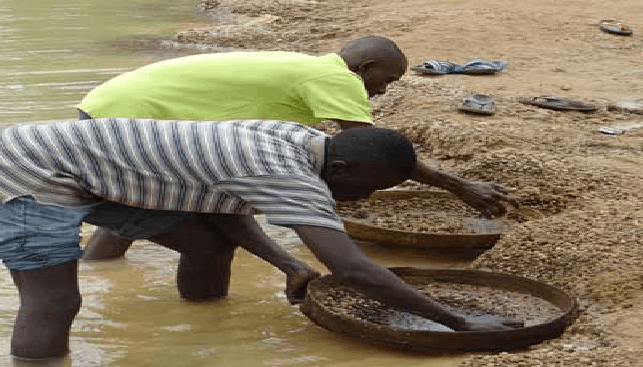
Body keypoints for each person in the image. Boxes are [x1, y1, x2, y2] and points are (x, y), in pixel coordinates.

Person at [0, 118, 521, 363]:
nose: (362, 200)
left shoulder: (300, 138)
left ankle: (200, 327)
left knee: (206, 244)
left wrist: (287, 265)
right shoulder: (289, 174)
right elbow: (354, 270)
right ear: (339, 169)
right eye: (364, 189)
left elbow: (222, 210)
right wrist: (457, 320)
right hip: (26, 170)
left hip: (95, 170)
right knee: (56, 299)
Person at [77, 35, 518, 261]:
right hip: (130, 116)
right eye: (386, 80)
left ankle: (102, 273)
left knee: (145, 205)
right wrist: (460, 186)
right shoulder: (337, 79)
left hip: (113, 106)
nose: (382, 92)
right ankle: (121, 280)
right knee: (171, 213)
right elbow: (376, 150)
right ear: (364, 68)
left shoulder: (313, 70)